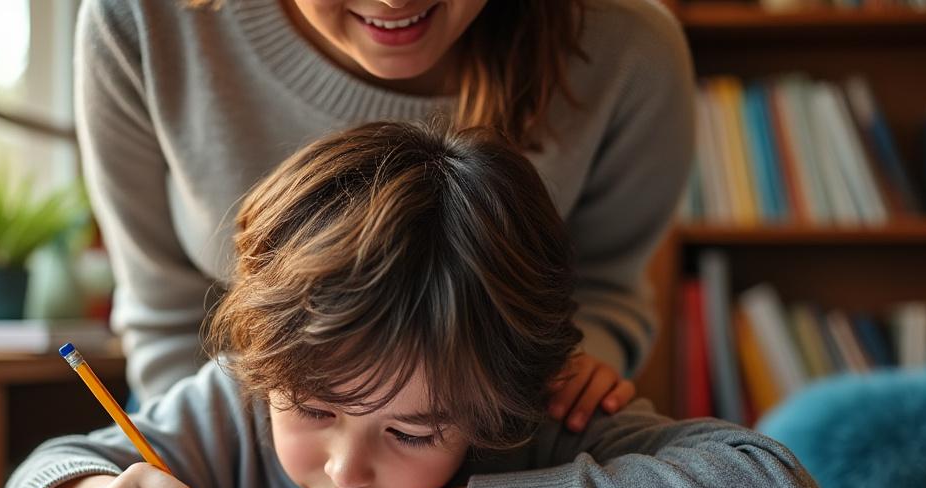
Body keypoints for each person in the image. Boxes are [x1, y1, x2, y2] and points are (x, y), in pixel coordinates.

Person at [1, 122, 827, 488]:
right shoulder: (241, 398)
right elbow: (43, 473)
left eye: (413, 432)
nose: (345, 472)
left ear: (498, 402)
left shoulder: (538, 421)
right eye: (316, 410)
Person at [75, 0, 695, 431]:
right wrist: (214, 468)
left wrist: (485, 487)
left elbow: (608, 289)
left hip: (505, 427)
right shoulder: (141, 23)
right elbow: (166, 310)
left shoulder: (629, 49)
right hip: (225, 428)